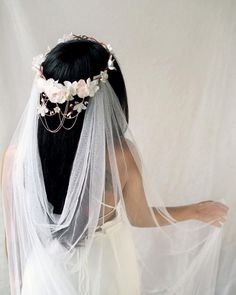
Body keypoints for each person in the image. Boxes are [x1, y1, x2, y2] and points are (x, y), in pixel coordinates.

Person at [1, 33, 229, 295]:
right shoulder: (120, 156)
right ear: (106, 98)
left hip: (45, 275)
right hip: (106, 271)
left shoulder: (15, 158)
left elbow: (14, 237)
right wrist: (196, 211)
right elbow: (139, 216)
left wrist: (19, 285)